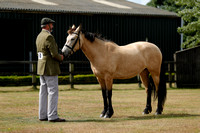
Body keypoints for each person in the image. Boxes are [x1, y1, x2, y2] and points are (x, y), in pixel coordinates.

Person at [36, 17, 65, 122]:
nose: (52, 26)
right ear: (47, 25)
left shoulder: (39, 36)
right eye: (51, 24)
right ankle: (52, 116)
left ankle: (42, 115)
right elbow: (54, 54)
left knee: (43, 92)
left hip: (41, 67)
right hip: (50, 67)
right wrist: (61, 57)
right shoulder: (49, 36)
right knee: (53, 91)